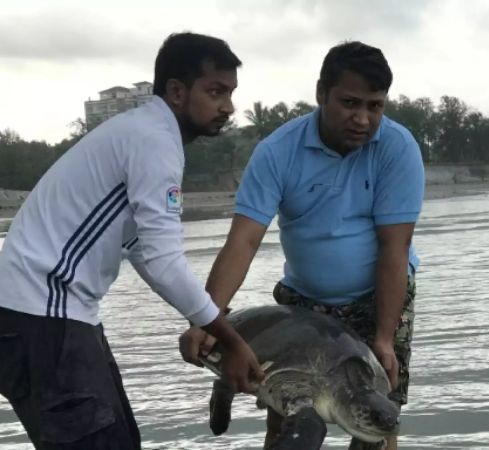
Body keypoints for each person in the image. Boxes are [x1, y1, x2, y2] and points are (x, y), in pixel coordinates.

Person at [0, 32, 264, 449]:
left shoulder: (144, 132)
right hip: (44, 321)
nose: (228, 107)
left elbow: (143, 250)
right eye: (216, 91)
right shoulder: (154, 141)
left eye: (231, 93)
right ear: (177, 91)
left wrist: (203, 320)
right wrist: (231, 339)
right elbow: (165, 261)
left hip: (50, 319)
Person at [179, 40, 424, 450]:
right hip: (304, 304)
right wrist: (208, 315)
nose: (362, 119)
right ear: (320, 93)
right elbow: (244, 240)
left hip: (378, 296)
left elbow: (393, 250)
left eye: (375, 106)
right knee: (288, 418)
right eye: (349, 102)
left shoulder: (397, 149)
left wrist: (383, 338)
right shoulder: (278, 151)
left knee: (379, 423)